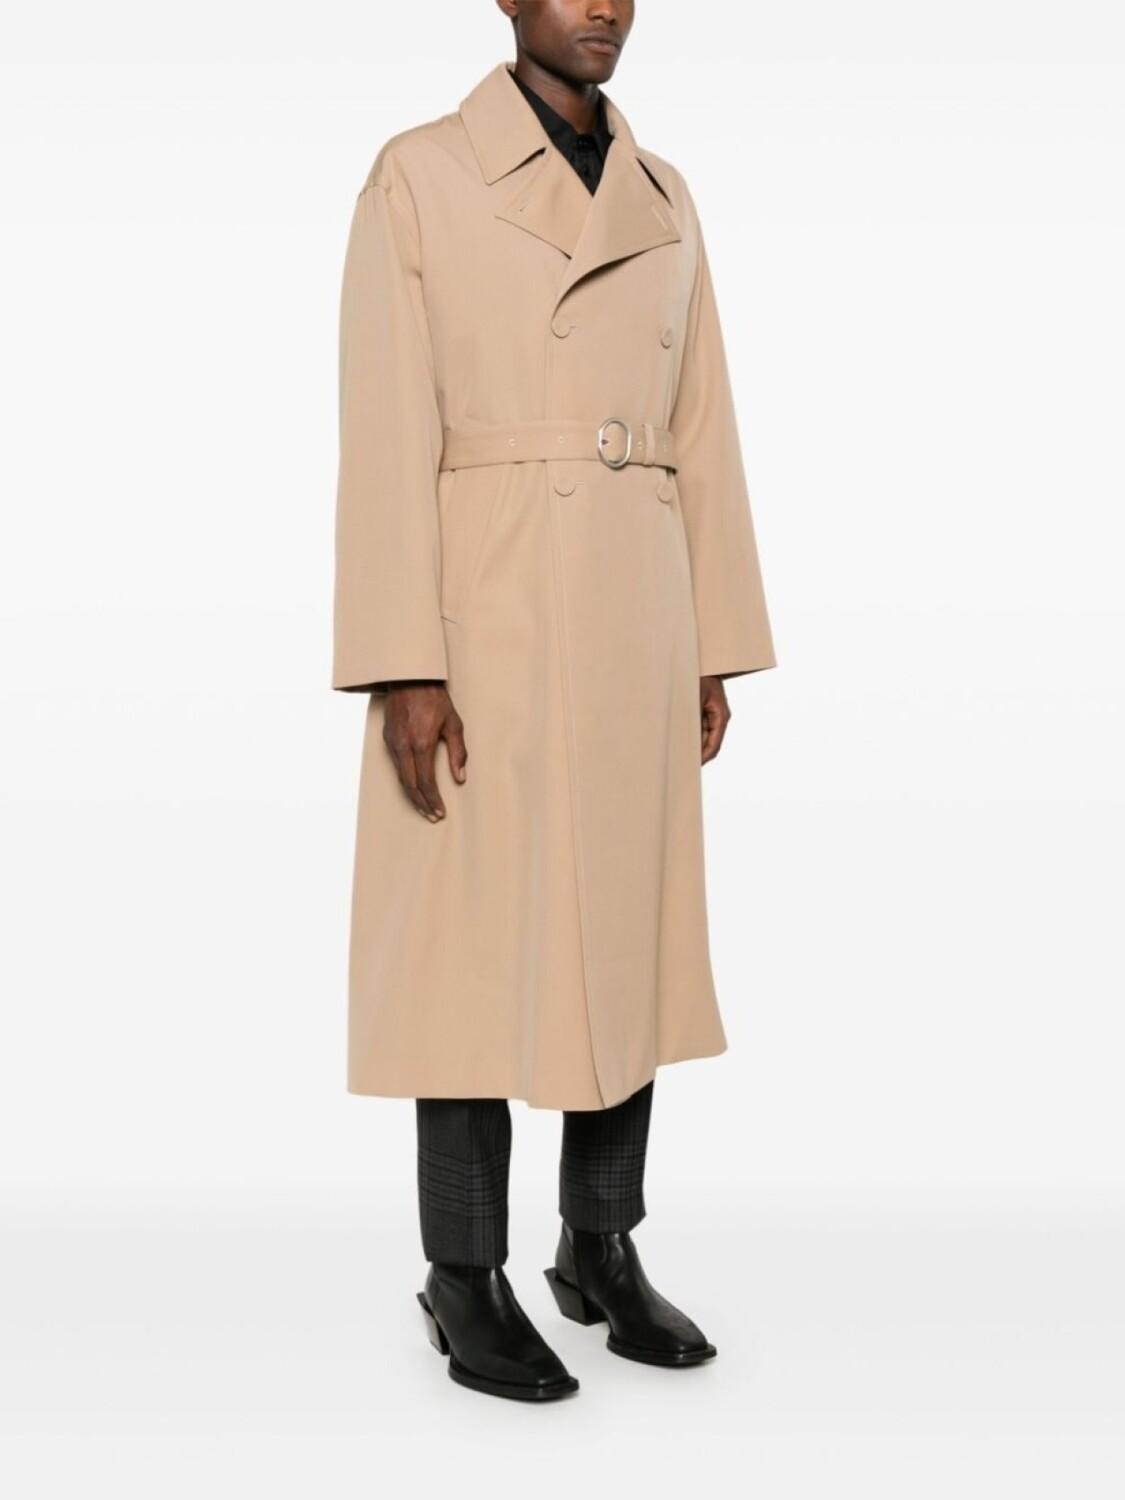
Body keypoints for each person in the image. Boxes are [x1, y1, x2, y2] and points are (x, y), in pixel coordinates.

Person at [332, 0, 775, 1403]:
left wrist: (710, 641)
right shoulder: (419, 173)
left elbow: (702, 423)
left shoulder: (666, 194)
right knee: (468, 954)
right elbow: (384, 425)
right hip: (488, 607)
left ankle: (600, 1246)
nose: (602, 6)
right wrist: (404, 658)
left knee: (627, 940)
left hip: (637, 609)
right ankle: (462, 1274)